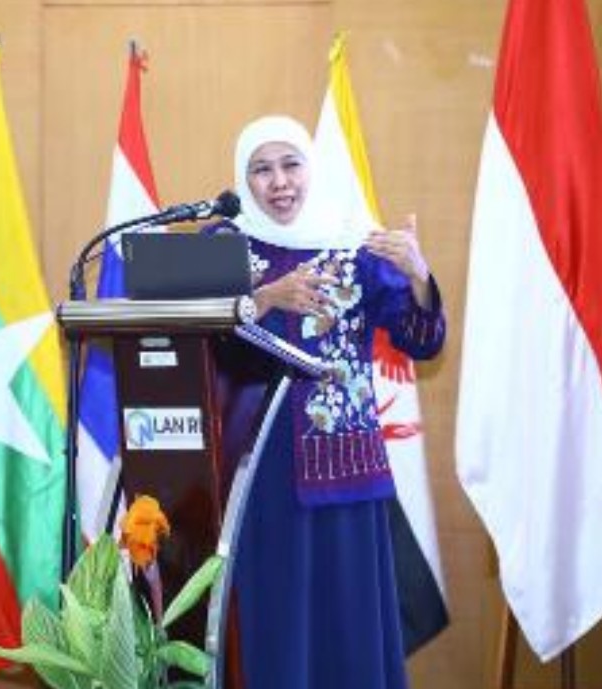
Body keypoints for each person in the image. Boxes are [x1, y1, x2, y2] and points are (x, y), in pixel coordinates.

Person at [211, 115, 445, 689]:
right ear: (243, 179)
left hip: (344, 466)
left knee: (348, 628)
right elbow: (195, 337)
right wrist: (265, 297)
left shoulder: (355, 246)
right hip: (255, 467)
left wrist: (418, 275)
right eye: (261, 170)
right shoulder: (222, 244)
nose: (279, 182)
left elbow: (422, 340)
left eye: (291, 165)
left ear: (311, 169)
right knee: (271, 624)